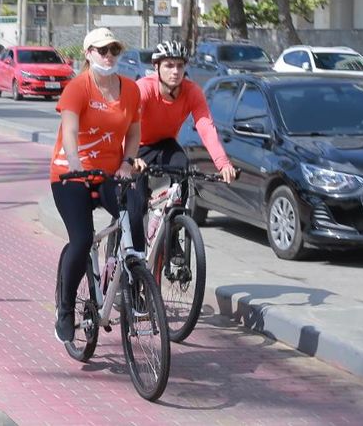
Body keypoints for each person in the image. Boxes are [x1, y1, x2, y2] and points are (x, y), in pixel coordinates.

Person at [51, 27, 143, 344]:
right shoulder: (78, 88)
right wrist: (75, 162)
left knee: (135, 211)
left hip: (109, 172)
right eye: (101, 50)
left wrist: (127, 163)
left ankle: (135, 276)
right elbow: (70, 131)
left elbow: (133, 133)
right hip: (70, 174)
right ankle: (65, 308)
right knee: (82, 238)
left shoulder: (130, 90)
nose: (108, 56)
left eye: (113, 51)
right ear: (88, 54)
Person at [128, 40, 237, 246]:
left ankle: (172, 233)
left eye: (180, 65)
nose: (175, 71)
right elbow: (127, 125)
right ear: (156, 67)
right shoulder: (144, 89)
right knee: (137, 206)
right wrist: (129, 158)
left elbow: (205, 126)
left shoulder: (192, 91)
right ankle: (132, 258)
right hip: (137, 146)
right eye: (169, 65)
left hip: (165, 144)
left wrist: (223, 163)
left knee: (184, 173)